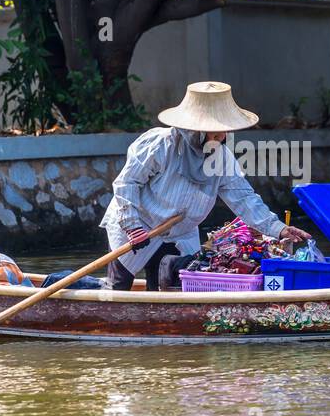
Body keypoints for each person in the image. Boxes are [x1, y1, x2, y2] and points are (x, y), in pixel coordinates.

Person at [100, 81, 312, 290]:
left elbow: (244, 199)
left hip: (180, 234)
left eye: (224, 130)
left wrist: (279, 229)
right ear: (195, 130)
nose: (221, 136)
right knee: (119, 286)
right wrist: (132, 226)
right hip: (140, 224)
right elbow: (127, 182)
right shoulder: (160, 145)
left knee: (170, 287)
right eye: (214, 130)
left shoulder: (222, 159)